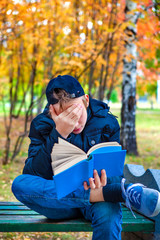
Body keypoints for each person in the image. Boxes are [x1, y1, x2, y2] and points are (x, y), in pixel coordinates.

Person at [12, 75, 160, 240]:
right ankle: (118, 192)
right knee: (20, 184)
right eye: (65, 117)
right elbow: (33, 174)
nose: (73, 124)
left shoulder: (107, 122)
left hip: (98, 201)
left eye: (75, 113)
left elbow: (113, 170)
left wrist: (104, 181)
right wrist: (59, 133)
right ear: (52, 111)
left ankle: (111, 192)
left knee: (109, 215)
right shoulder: (42, 124)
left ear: (86, 100)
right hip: (58, 202)